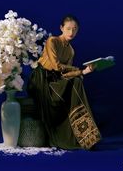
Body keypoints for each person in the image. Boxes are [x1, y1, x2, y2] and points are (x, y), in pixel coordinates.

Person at [27, 14, 102, 150]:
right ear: (61, 28)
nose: (71, 32)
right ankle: (75, 136)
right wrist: (76, 69)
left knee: (77, 81)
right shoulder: (52, 41)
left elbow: (64, 74)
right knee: (75, 82)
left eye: (75, 29)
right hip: (41, 79)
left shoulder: (71, 51)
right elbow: (56, 66)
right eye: (68, 29)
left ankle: (86, 137)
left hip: (56, 80)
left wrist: (84, 72)